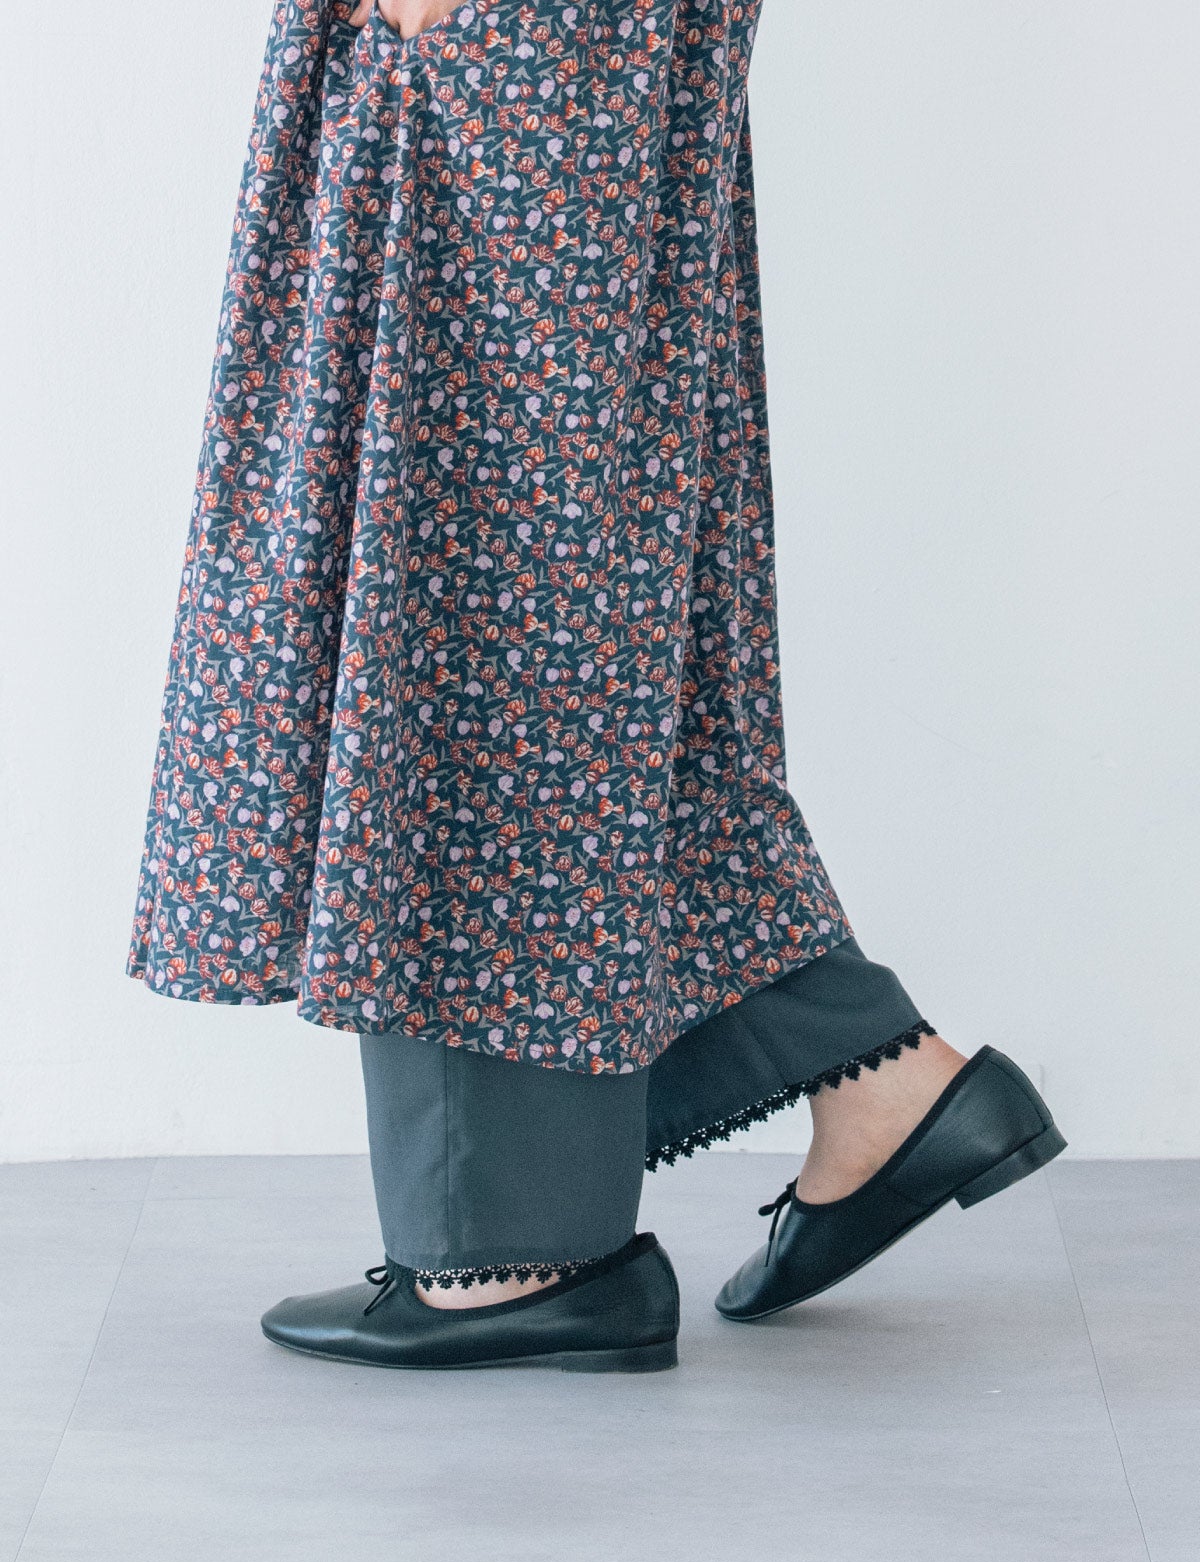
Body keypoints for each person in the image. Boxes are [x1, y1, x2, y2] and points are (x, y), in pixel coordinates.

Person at [128, 0, 1064, 1371]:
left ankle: (510, 1255)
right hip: (578, 48)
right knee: (584, 590)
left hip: (504, 47)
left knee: (478, 594)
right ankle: (874, 1078)